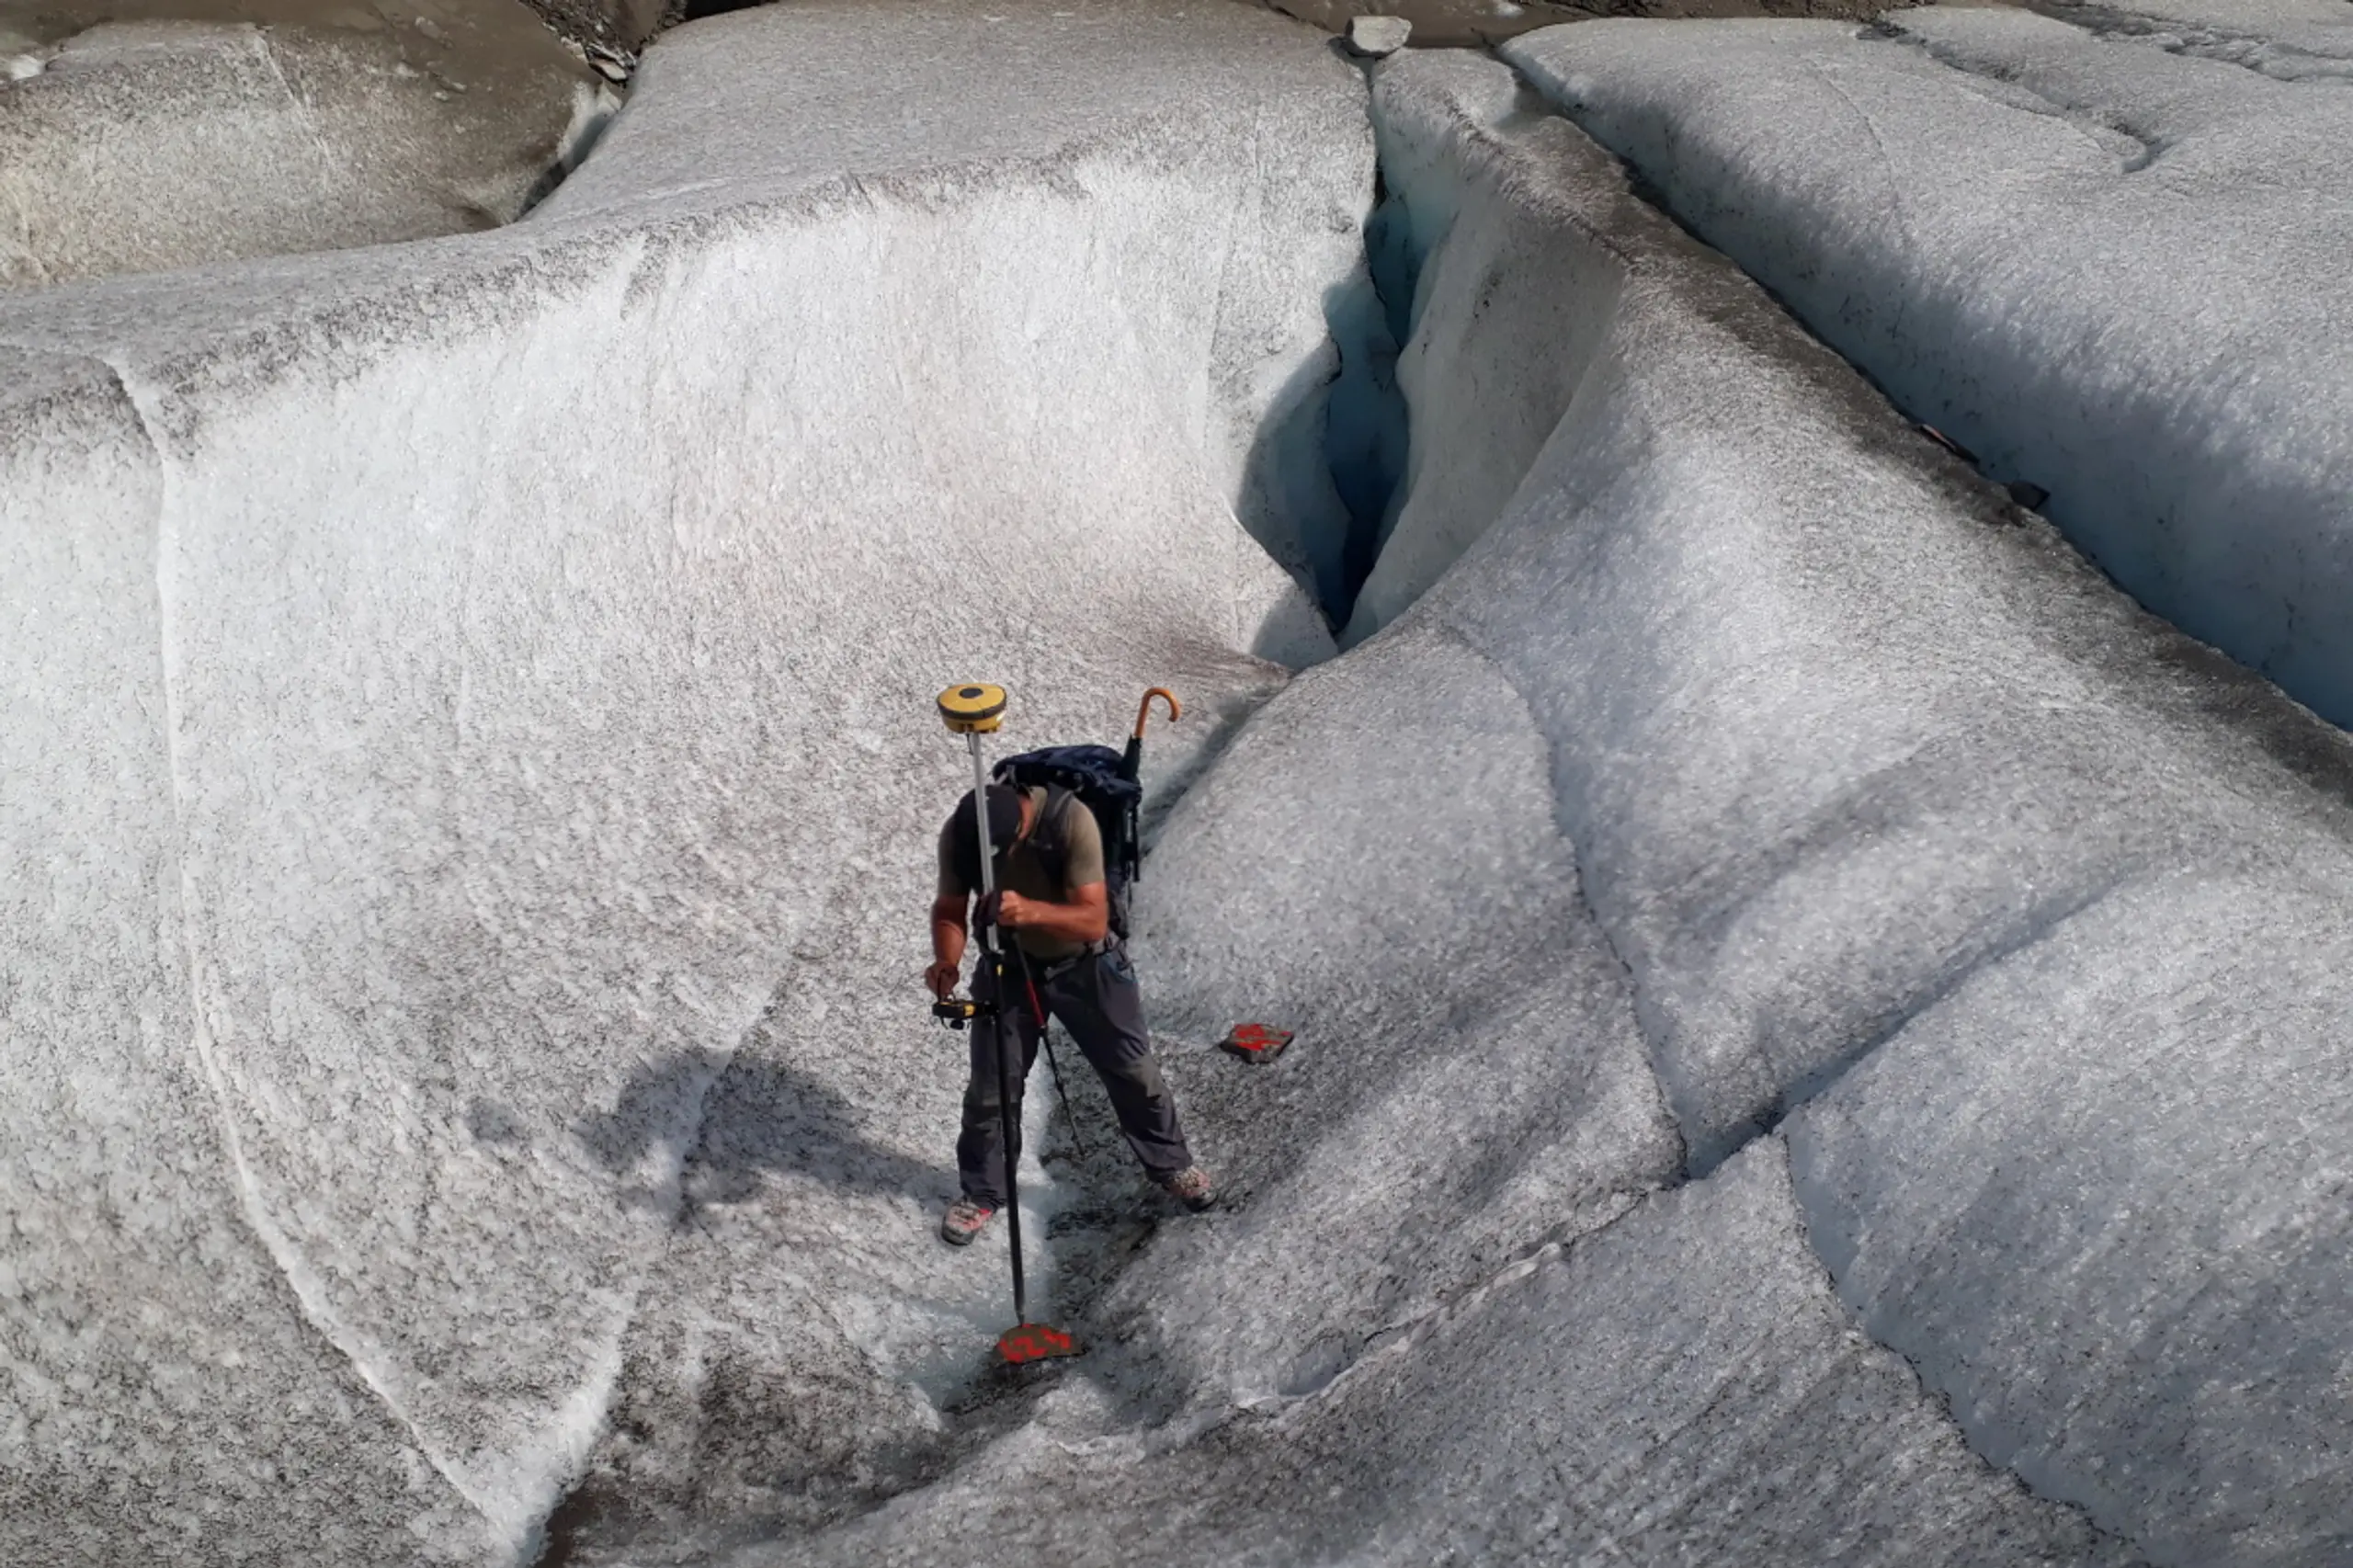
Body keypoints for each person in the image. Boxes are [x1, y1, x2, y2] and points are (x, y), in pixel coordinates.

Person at [926, 781, 1212, 1245]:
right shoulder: (959, 834)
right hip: (1008, 968)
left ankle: (1173, 1166)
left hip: (1089, 965)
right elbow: (949, 909)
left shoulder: (1070, 820)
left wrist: (1030, 912)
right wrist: (946, 961)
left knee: (1133, 1071)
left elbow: (1092, 919)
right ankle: (981, 1193)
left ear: (1021, 822)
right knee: (992, 1086)